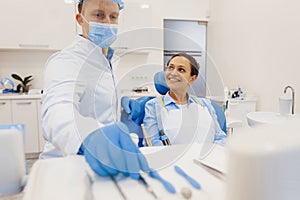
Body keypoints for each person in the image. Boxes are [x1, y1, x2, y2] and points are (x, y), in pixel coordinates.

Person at [41, 0, 150, 180]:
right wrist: (90, 136)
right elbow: (56, 112)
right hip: (69, 165)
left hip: (105, 164)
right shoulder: (67, 61)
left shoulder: (108, 59)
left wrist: (122, 105)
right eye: (98, 15)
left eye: (113, 16)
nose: (107, 22)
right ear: (80, 19)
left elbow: (97, 100)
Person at [143, 53, 226, 146]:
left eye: (181, 70)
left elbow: (220, 138)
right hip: (172, 159)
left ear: (192, 78)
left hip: (207, 159)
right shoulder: (153, 106)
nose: (173, 73)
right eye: (170, 68)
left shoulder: (205, 105)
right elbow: (154, 144)